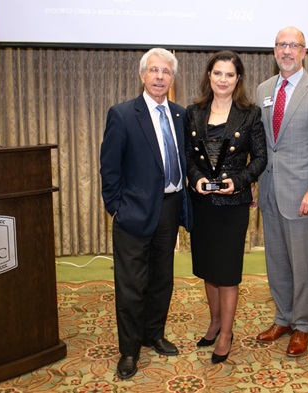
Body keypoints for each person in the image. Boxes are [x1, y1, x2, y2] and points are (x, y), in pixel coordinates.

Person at [99, 48, 192, 380]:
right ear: (142, 75)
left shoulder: (181, 115)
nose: (159, 77)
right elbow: (109, 170)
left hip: (169, 210)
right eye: (153, 70)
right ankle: (129, 350)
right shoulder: (123, 114)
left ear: (172, 78)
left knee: (161, 281)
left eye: (165, 72)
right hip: (133, 215)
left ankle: (154, 333)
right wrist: (117, 209)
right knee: (131, 286)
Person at [255, 26, 308, 357]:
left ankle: (302, 325)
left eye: (294, 46)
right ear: (274, 51)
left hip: (303, 195)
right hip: (269, 191)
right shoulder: (264, 89)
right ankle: (283, 318)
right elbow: (262, 144)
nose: (286, 51)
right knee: (276, 261)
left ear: (305, 52)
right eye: (281, 45)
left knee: (302, 265)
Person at [185, 51, 267, 364]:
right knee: (208, 267)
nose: (223, 80)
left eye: (229, 75)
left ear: (238, 79)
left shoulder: (250, 114)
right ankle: (215, 321)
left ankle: (226, 333)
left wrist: (240, 181)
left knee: (228, 271)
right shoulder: (193, 112)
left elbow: (260, 158)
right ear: (209, 76)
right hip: (203, 202)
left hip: (233, 204)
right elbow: (188, 157)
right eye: (217, 73)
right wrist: (196, 180)